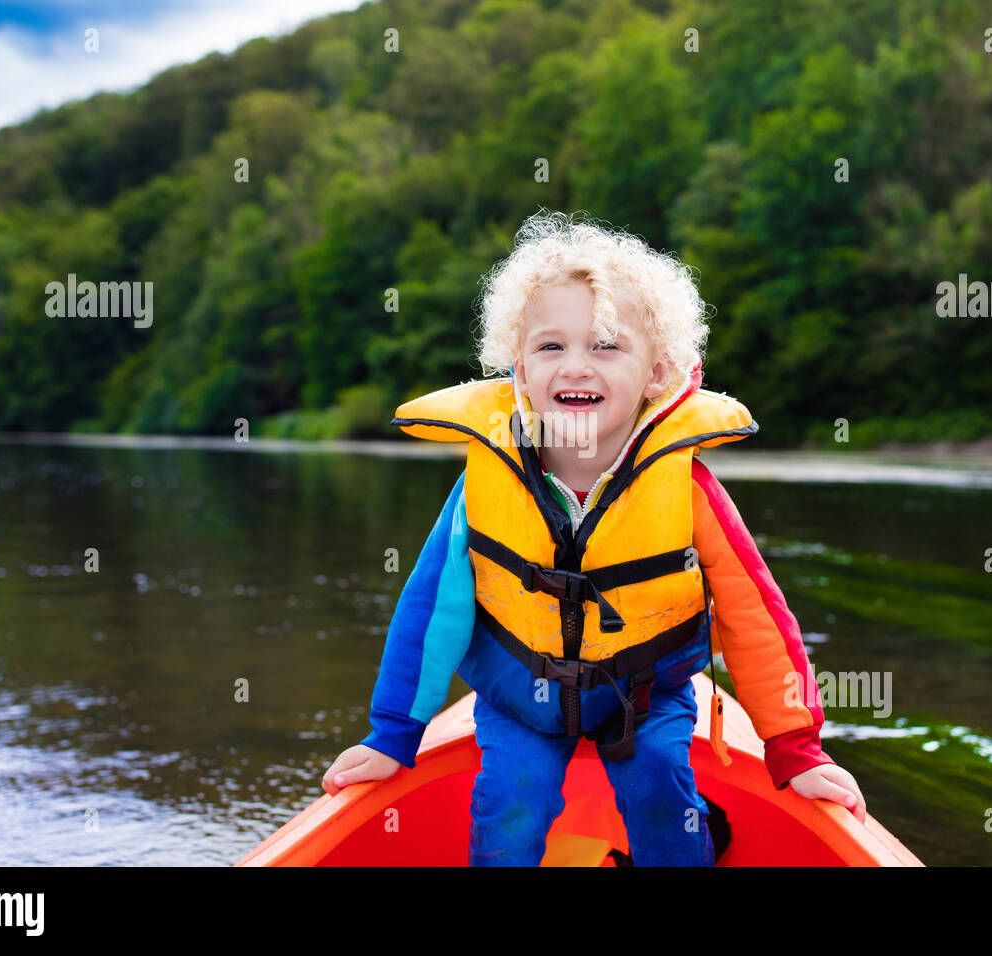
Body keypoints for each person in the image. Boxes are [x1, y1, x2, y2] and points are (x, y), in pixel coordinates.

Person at [323, 210, 866, 865]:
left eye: (606, 346)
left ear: (658, 374)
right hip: (520, 699)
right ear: (518, 371)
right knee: (508, 807)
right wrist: (393, 736)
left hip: (646, 696)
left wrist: (794, 750)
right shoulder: (482, 485)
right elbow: (430, 612)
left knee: (664, 789)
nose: (576, 366)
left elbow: (755, 617)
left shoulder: (689, 488)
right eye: (551, 347)